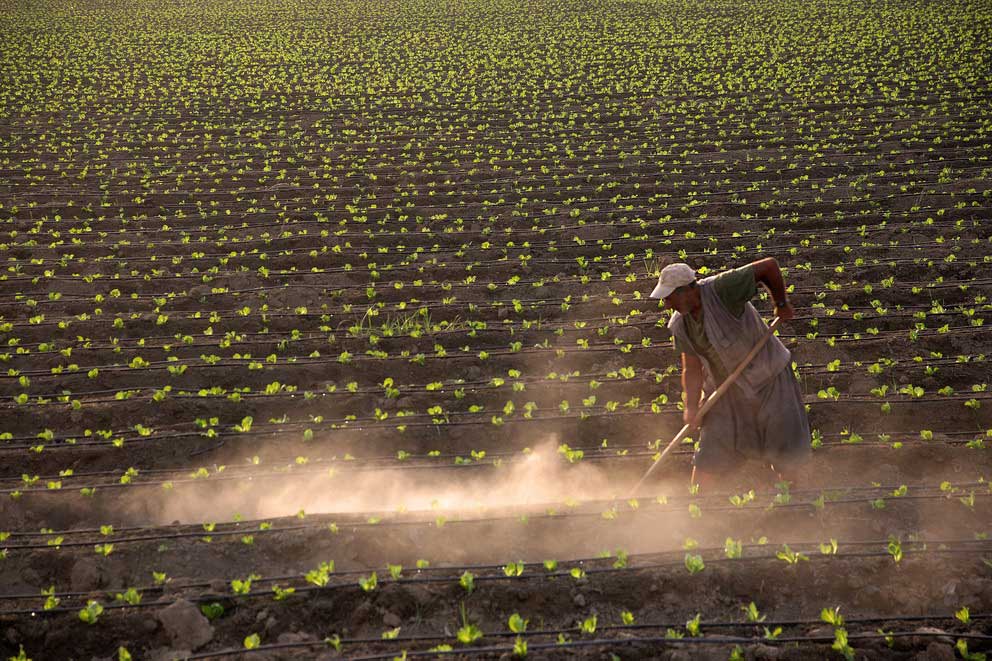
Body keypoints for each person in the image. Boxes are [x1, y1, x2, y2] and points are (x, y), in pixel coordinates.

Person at [649, 259, 811, 492]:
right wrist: (691, 407)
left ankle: (788, 503)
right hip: (726, 390)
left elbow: (769, 267)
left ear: (687, 291)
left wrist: (781, 303)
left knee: (782, 448)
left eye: (669, 297)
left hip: (769, 378)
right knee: (710, 451)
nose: (666, 305)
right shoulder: (680, 325)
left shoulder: (722, 289)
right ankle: (699, 508)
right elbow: (691, 368)